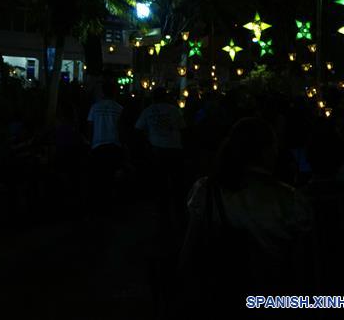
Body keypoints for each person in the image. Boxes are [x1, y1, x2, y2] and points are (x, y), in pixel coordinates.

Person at [179, 117, 313, 311]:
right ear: (267, 150)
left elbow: (189, 250)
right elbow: (302, 265)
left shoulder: (206, 190)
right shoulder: (289, 199)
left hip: (220, 295)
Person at [135, 88, 185, 222]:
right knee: (176, 185)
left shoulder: (148, 111)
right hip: (175, 149)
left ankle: (164, 217)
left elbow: (138, 129)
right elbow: (183, 128)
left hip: (157, 149)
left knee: (160, 184)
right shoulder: (174, 110)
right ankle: (180, 215)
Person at [87, 80, 124, 203]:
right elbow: (121, 129)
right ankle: (110, 202)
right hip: (114, 145)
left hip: (98, 145)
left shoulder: (95, 107)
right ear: (115, 92)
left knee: (99, 177)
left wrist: (90, 143)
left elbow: (90, 126)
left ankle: (100, 202)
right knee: (112, 177)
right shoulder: (119, 109)